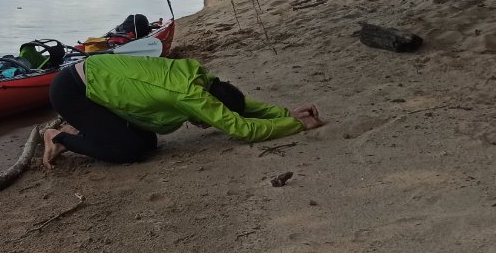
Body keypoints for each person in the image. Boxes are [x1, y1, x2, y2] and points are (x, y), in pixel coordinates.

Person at [42, 54, 325, 169]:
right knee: (128, 152)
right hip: (73, 91)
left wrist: (285, 111)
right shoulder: (189, 94)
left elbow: (238, 105)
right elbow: (243, 128)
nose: (206, 125)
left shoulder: (204, 81)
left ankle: (88, 133)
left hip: (99, 79)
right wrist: (296, 125)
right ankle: (59, 138)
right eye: (208, 120)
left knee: (149, 143)